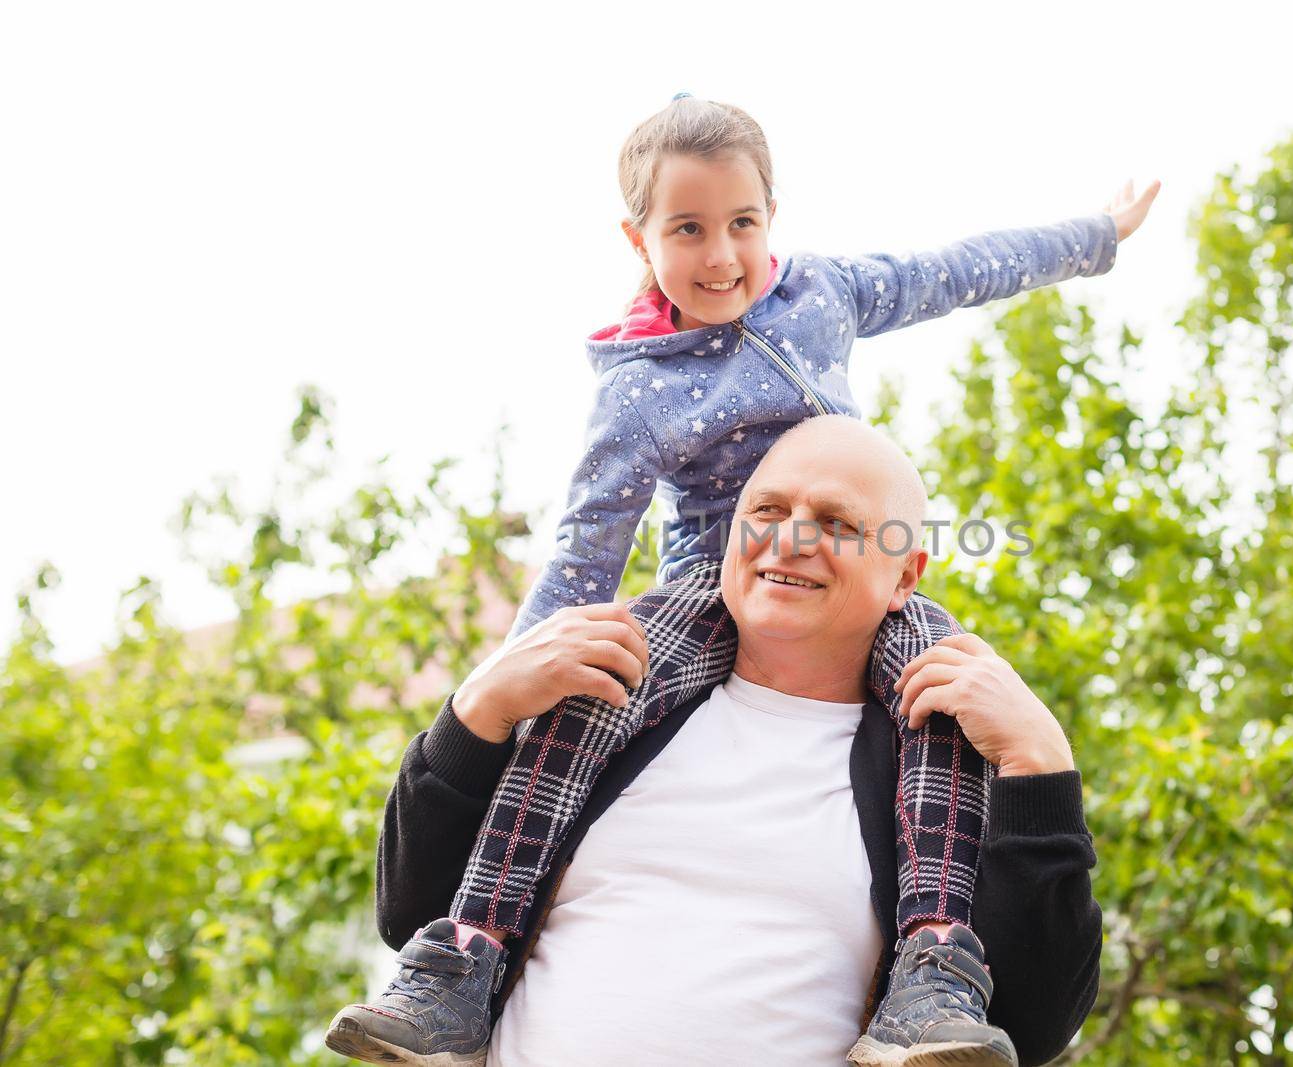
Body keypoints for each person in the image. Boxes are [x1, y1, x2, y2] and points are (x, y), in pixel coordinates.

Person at [328, 93, 1154, 1064]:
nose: (720, 256)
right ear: (637, 238)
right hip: (694, 594)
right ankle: (459, 960)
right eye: (687, 229)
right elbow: (588, 548)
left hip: (880, 637)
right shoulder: (639, 387)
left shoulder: (823, 296)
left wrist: (1094, 236)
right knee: (587, 696)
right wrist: (500, 688)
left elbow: (954, 273)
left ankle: (934, 972)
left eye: (742, 224)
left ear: (772, 215)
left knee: (939, 707)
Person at [331, 417, 1102, 1066]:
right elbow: (412, 910)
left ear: (905, 575)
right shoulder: (603, 701)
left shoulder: (939, 758)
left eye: (835, 523)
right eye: (765, 511)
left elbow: (1032, 1025)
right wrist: (479, 706)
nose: (788, 539)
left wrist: (1041, 767)